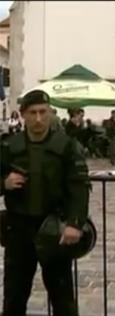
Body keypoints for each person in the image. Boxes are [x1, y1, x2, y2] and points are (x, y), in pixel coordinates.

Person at [0, 90, 90, 316]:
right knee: (14, 298)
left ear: (50, 113)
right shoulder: (9, 146)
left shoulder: (67, 146)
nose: (38, 118)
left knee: (63, 300)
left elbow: (78, 186)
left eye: (43, 112)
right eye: (33, 113)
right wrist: (4, 183)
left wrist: (75, 223)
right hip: (19, 230)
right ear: (23, 115)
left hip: (54, 229)